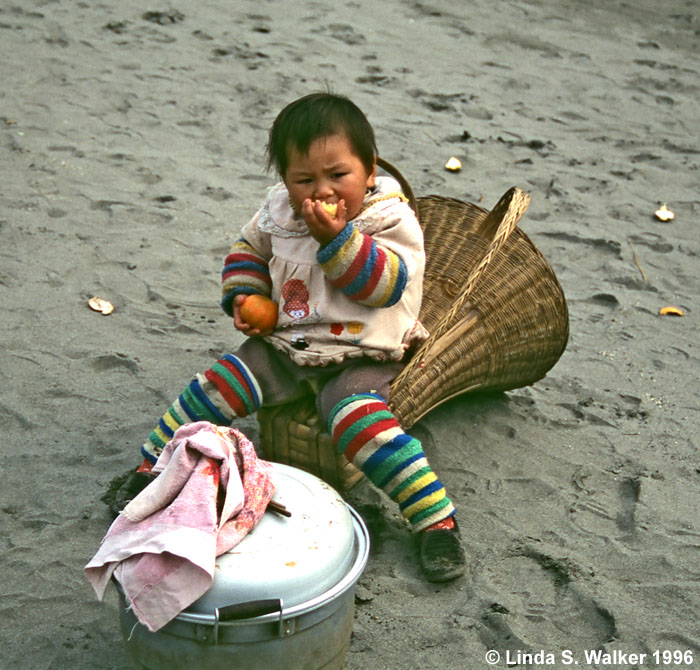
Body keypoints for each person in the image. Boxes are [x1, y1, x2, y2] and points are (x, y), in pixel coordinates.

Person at [125, 92, 465, 582]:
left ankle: (435, 520)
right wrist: (247, 295)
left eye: (338, 176)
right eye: (304, 179)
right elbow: (248, 249)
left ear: (369, 170)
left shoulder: (390, 218)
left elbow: (385, 286)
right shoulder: (279, 211)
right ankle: (152, 466)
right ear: (285, 180)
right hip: (289, 344)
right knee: (221, 383)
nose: (322, 190)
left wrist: (337, 240)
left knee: (358, 422)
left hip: (364, 352)